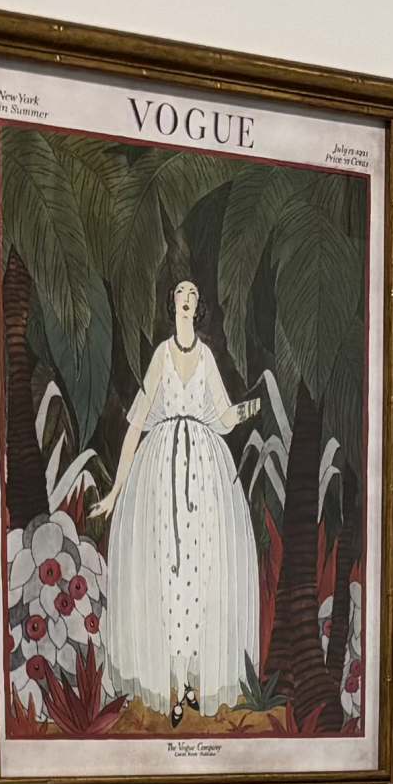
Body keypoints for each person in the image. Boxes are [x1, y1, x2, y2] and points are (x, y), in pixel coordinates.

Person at [92, 281, 263, 717]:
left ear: (197, 305)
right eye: (179, 293)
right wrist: (115, 490)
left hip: (205, 471)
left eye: (191, 293)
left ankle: (190, 680)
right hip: (162, 469)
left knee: (202, 568)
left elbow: (224, 418)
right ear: (172, 304)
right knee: (166, 566)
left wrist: (254, 407)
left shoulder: (205, 356)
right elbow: (136, 423)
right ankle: (171, 678)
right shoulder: (161, 356)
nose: (185, 297)